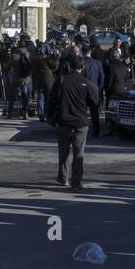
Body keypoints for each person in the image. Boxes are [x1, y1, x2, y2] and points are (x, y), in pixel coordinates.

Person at [47, 53, 99, 189]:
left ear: (70, 66)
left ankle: (63, 178)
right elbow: (95, 102)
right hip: (81, 123)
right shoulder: (87, 83)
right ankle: (76, 181)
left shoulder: (62, 80)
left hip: (64, 121)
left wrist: (50, 116)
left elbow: (52, 99)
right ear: (83, 67)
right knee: (78, 154)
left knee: (63, 153)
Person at [81, 46, 104, 136]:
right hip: (95, 90)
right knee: (94, 112)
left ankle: (83, 130)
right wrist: (99, 89)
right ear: (90, 51)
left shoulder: (82, 62)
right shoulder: (98, 63)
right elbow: (102, 77)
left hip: (83, 90)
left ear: (83, 52)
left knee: (82, 111)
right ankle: (96, 132)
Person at [32, 47, 55, 120]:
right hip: (48, 82)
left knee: (40, 98)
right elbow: (55, 66)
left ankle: (41, 115)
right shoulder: (46, 60)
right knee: (48, 99)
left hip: (38, 81)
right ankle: (47, 114)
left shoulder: (34, 60)